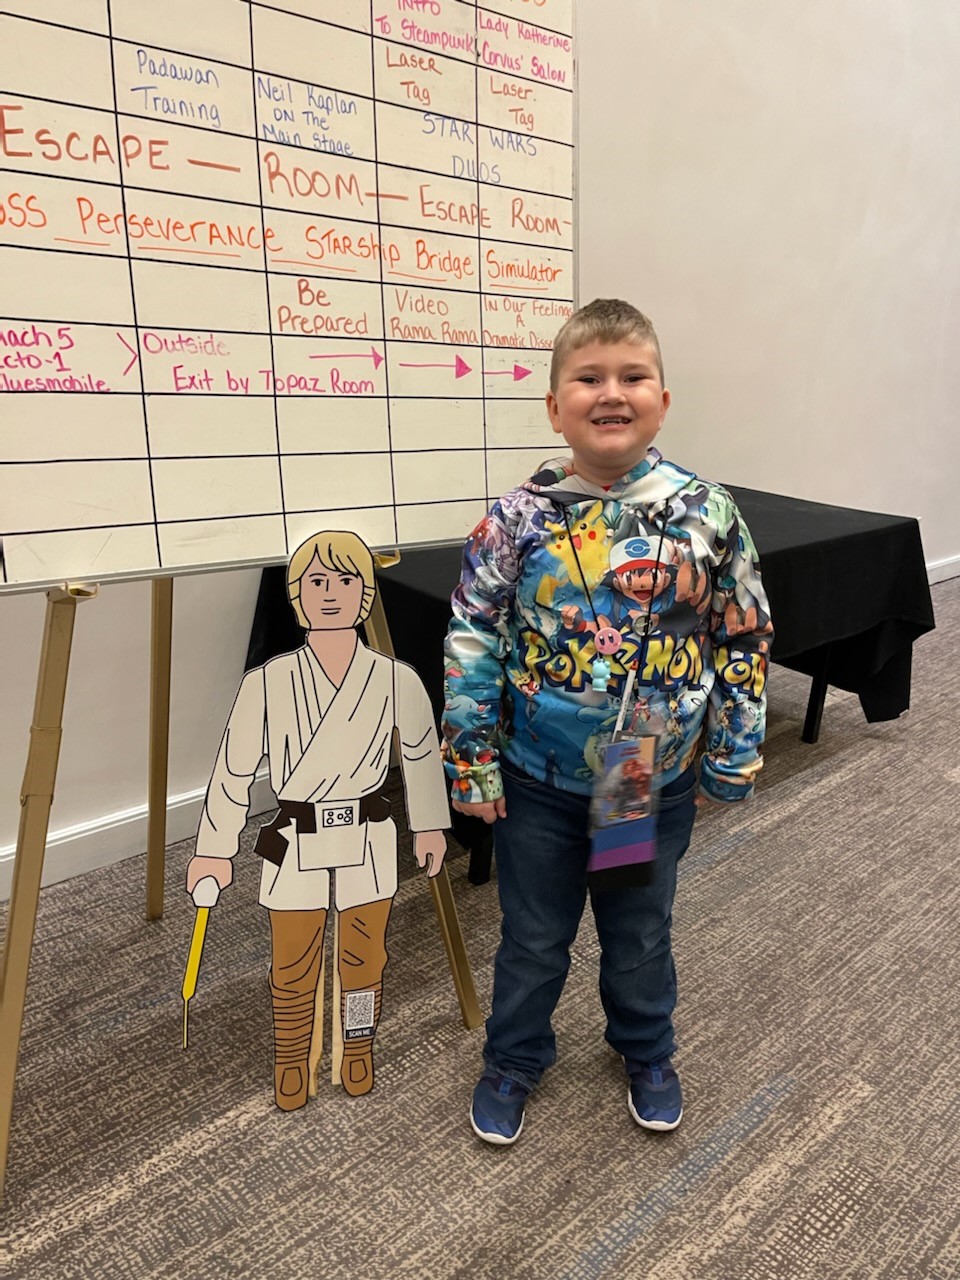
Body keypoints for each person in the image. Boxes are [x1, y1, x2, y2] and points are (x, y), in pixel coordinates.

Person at [442, 299, 773, 1144]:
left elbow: (743, 635)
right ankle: (514, 1056)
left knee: (638, 933)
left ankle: (645, 1048)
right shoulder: (517, 518)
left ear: (663, 401)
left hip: (641, 782)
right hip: (538, 782)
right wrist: (471, 760)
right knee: (533, 936)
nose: (612, 393)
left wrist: (733, 752)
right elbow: (473, 635)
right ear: (556, 406)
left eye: (633, 376)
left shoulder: (708, 514)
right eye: (589, 378)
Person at [185, 530, 449, 1111]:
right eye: (317, 582)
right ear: (297, 595)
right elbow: (233, 770)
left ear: (366, 594)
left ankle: (357, 1046)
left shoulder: (396, 679)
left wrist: (429, 824)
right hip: (296, 838)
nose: (331, 594)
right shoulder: (265, 683)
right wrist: (213, 850)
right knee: (292, 960)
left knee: (364, 957)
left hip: (366, 834)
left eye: (346, 580)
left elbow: (421, 754)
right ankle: (290, 1056)